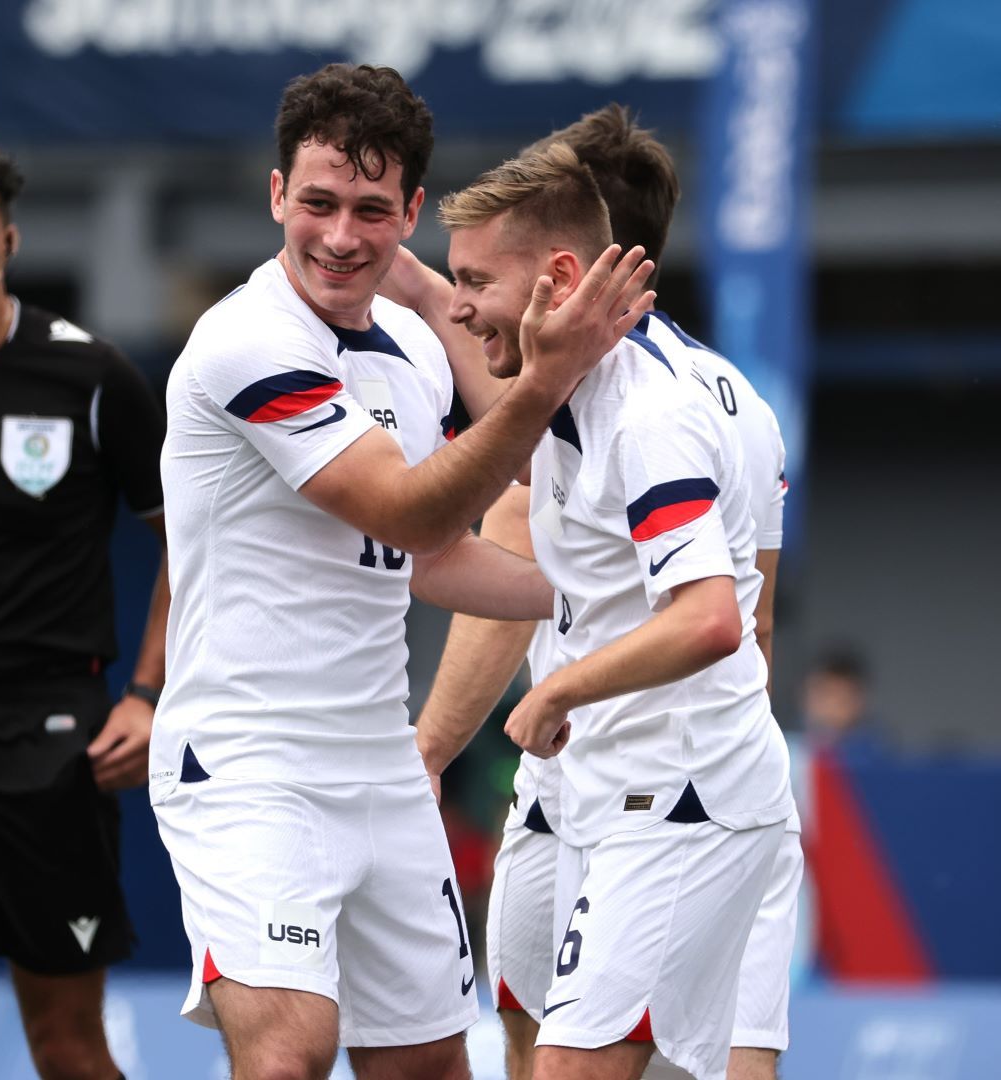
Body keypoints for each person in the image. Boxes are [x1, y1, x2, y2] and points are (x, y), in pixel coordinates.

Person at [148, 63, 654, 1080]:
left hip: (381, 764)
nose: (341, 236)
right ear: (277, 194)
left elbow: (435, 555)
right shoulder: (248, 341)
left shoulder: (413, 351)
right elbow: (412, 505)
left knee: (427, 1068)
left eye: (373, 211)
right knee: (291, 1049)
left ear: (412, 212)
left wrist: (611, 598)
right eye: (320, 203)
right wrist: (545, 374)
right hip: (251, 764)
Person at [407, 105, 802, 1080]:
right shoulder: (610, 395)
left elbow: (719, 622)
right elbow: (756, 613)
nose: (461, 304)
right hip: (580, 782)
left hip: (678, 788)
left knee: (589, 1066)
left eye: (474, 280)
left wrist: (559, 691)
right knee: (532, 1038)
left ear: (566, 271)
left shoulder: (653, 418)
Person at [0, 127, 169, 1080]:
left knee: (67, 1047)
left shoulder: (92, 376)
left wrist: (149, 694)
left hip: (53, 739)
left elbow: (190, 549)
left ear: (12, 241)